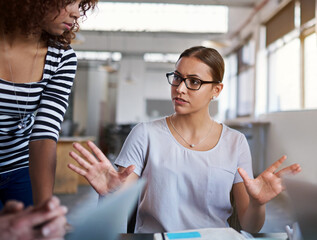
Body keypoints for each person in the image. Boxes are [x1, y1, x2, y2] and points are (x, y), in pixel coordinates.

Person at [68, 46, 302, 233]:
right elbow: (119, 204)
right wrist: (109, 195)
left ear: (216, 90)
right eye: (177, 78)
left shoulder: (235, 142)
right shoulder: (145, 134)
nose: (180, 89)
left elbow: (250, 225)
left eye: (194, 82)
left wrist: (258, 203)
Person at [0, 0, 98, 218]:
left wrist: (47, 216)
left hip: (21, 170)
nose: (77, 13)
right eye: (69, 2)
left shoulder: (62, 57)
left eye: (81, 4)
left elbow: (45, 135)